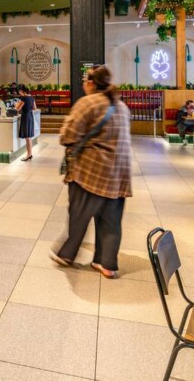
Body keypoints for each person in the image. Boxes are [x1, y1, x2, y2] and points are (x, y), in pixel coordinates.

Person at [51, 65, 132, 279]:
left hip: (91, 171)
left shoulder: (87, 103)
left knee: (79, 214)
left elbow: (67, 136)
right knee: (111, 221)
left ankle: (67, 254)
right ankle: (106, 263)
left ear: (90, 83)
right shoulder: (121, 106)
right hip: (119, 175)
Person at [15, 85, 37, 161]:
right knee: (29, 137)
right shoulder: (31, 97)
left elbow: (17, 108)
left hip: (25, 117)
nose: (19, 93)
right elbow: (34, 108)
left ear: (21, 91)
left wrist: (16, 104)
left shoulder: (24, 98)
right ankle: (29, 154)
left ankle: (29, 155)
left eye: (19, 91)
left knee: (27, 138)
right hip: (30, 116)